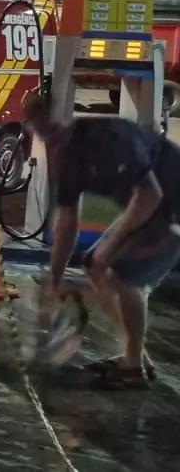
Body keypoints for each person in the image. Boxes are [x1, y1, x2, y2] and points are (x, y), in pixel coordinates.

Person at [24, 89, 180, 389]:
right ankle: (135, 356)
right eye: (39, 129)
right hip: (148, 209)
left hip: (172, 206)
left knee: (125, 276)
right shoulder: (63, 156)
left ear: (64, 119)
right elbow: (67, 221)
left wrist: (112, 244)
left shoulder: (108, 139)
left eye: (50, 126)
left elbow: (151, 194)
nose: (47, 137)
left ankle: (133, 368)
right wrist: (53, 280)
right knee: (93, 264)